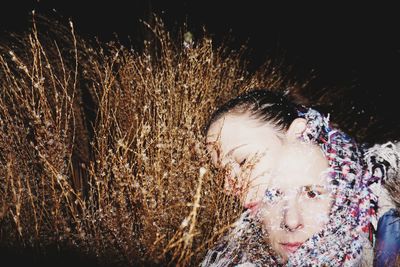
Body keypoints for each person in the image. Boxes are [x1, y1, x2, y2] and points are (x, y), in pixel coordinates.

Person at [201, 89, 400, 266]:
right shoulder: (237, 248)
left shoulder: (385, 220)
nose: (228, 186)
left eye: (243, 161)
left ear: (296, 133)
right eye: (221, 172)